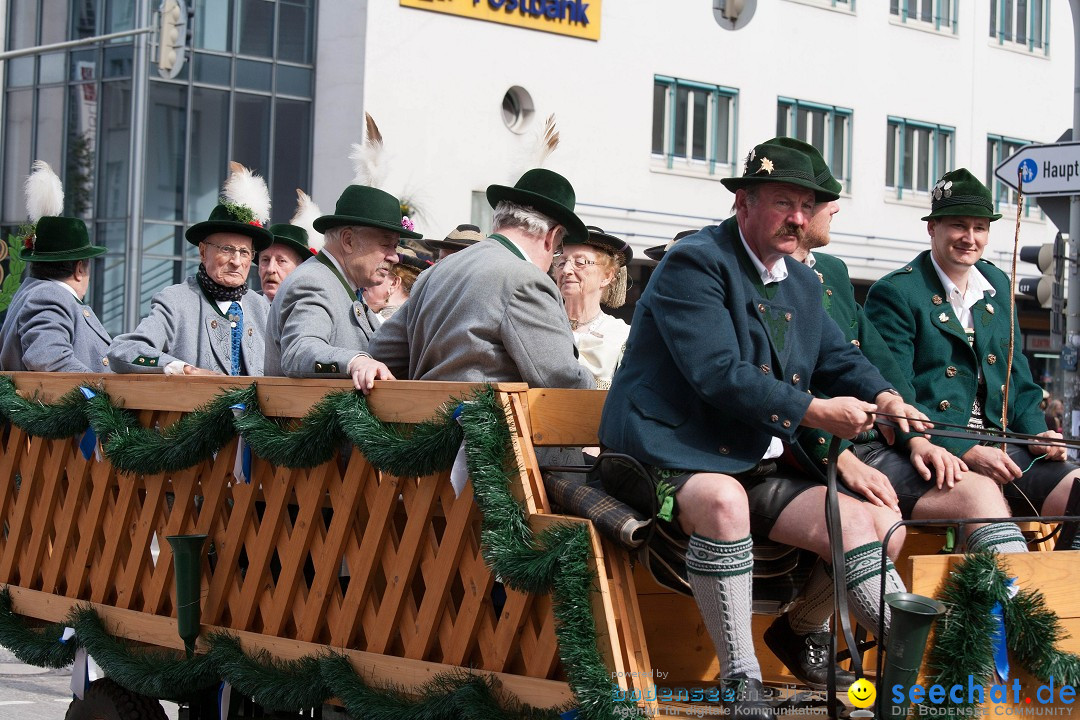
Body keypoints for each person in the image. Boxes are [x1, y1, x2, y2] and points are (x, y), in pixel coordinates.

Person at [596, 139, 928, 717]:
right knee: (724, 503)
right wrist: (816, 411)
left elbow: (835, 355)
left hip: (750, 457)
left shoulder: (800, 281)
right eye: (782, 202)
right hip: (663, 452)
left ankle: (906, 683)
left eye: (806, 206)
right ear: (743, 204)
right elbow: (719, 374)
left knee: (865, 518)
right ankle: (740, 679)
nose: (797, 217)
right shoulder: (695, 262)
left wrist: (886, 395)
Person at [774, 141, 1020, 690]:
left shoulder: (831, 269)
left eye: (982, 226)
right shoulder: (750, 273)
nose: (836, 209)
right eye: (828, 201)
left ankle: (1027, 629)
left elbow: (864, 359)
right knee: (899, 520)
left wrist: (910, 428)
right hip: (794, 445)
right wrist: (836, 460)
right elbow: (762, 388)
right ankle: (960, 665)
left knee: (984, 490)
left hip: (866, 438)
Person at [865, 168, 1080, 541]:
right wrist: (965, 449)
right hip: (931, 450)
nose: (970, 238)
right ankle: (1007, 595)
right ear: (932, 228)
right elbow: (896, 393)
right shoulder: (897, 293)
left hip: (1002, 446)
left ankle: (1064, 592)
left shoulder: (996, 283)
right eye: (958, 226)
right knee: (983, 497)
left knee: (1078, 485)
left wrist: (1037, 434)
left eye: (980, 227)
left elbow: (1018, 376)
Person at [368, 168, 593, 391]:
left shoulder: (434, 272)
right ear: (551, 236)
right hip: (486, 423)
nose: (554, 258)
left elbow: (382, 354)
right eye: (558, 248)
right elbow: (562, 380)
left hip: (420, 421)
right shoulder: (526, 279)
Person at [109, 163, 272, 376]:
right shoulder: (176, 302)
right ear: (203, 252)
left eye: (244, 252)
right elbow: (122, 351)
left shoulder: (262, 307)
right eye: (227, 249)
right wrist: (183, 370)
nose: (236, 261)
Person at [263, 183, 421, 390]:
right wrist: (355, 362)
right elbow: (299, 351)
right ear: (348, 240)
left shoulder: (341, 282)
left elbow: (380, 347)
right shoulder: (314, 281)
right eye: (386, 244)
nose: (393, 257)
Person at [0, 161, 112, 373]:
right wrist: (102, 395)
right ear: (79, 269)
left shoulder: (33, 291)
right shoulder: (49, 295)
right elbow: (49, 359)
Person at [554, 225, 632, 390]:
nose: (567, 270)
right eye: (561, 262)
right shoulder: (542, 324)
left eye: (580, 262)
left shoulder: (622, 336)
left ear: (607, 276)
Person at [363, 249, 430, 322]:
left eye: (379, 273)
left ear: (394, 283)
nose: (364, 279)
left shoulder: (383, 325)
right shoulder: (414, 323)